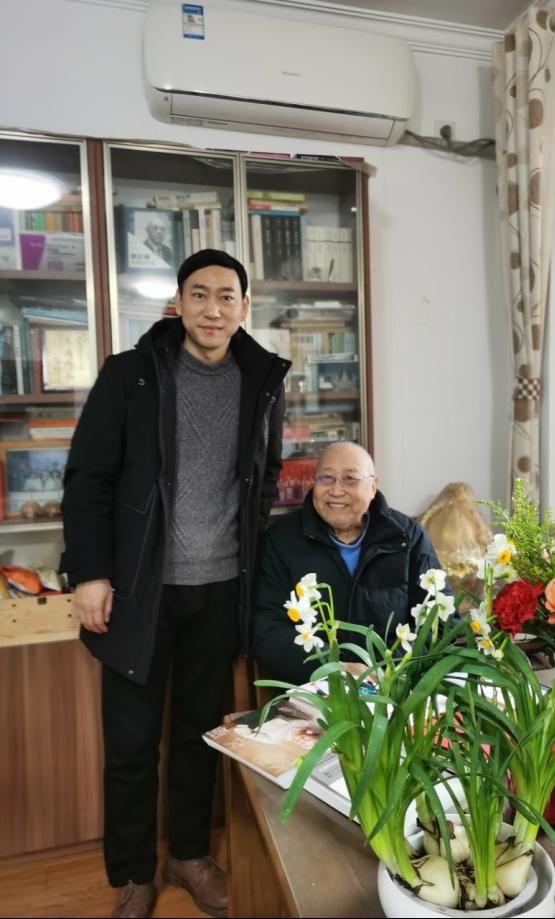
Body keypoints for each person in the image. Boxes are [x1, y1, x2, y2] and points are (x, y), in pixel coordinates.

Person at [60, 249, 290, 919]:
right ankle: (134, 874)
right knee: (131, 745)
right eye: (199, 294)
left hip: (219, 591)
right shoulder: (131, 374)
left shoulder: (262, 378)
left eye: (226, 296)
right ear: (179, 303)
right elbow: (88, 478)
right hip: (140, 592)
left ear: (244, 306)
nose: (212, 308)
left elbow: (265, 477)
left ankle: (188, 855)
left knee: (198, 735)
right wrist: (91, 572)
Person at [251, 442, 441, 686]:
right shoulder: (281, 540)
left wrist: (391, 672)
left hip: (396, 687)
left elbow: (440, 624)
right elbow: (267, 631)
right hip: (316, 690)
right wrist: (331, 667)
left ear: (373, 487)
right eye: (326, 478)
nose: (336, 490)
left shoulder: (407, 537)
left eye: (350, 479)